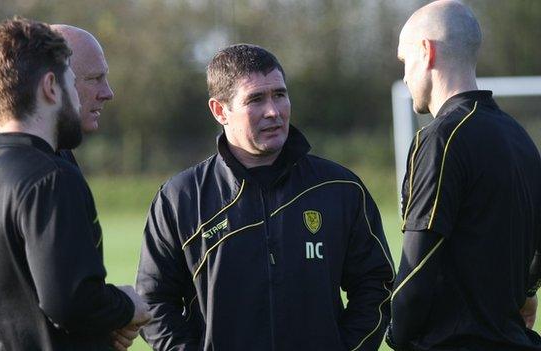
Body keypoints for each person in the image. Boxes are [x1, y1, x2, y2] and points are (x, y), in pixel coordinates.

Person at [136, 44, 395, 350]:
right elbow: (153, 302)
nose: (273, 111)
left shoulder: (340, 188)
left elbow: (377, 287)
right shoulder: (180, 198)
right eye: (255, 99)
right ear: (220, 111)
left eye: (280, 95)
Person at [0, 17, 149, 350]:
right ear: (51, 87)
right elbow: (70, 303)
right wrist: (128, 305)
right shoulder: (50, 178)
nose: (82, 97)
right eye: (73, 82)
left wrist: (105, 325)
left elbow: (22, 310)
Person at [388, 1, 541, 350]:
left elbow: (418, 263)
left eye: (404, 61)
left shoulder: (441, 137)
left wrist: (397, 332)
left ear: (426, 52)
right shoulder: (519, 136)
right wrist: (526, 292)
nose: (406, 76)